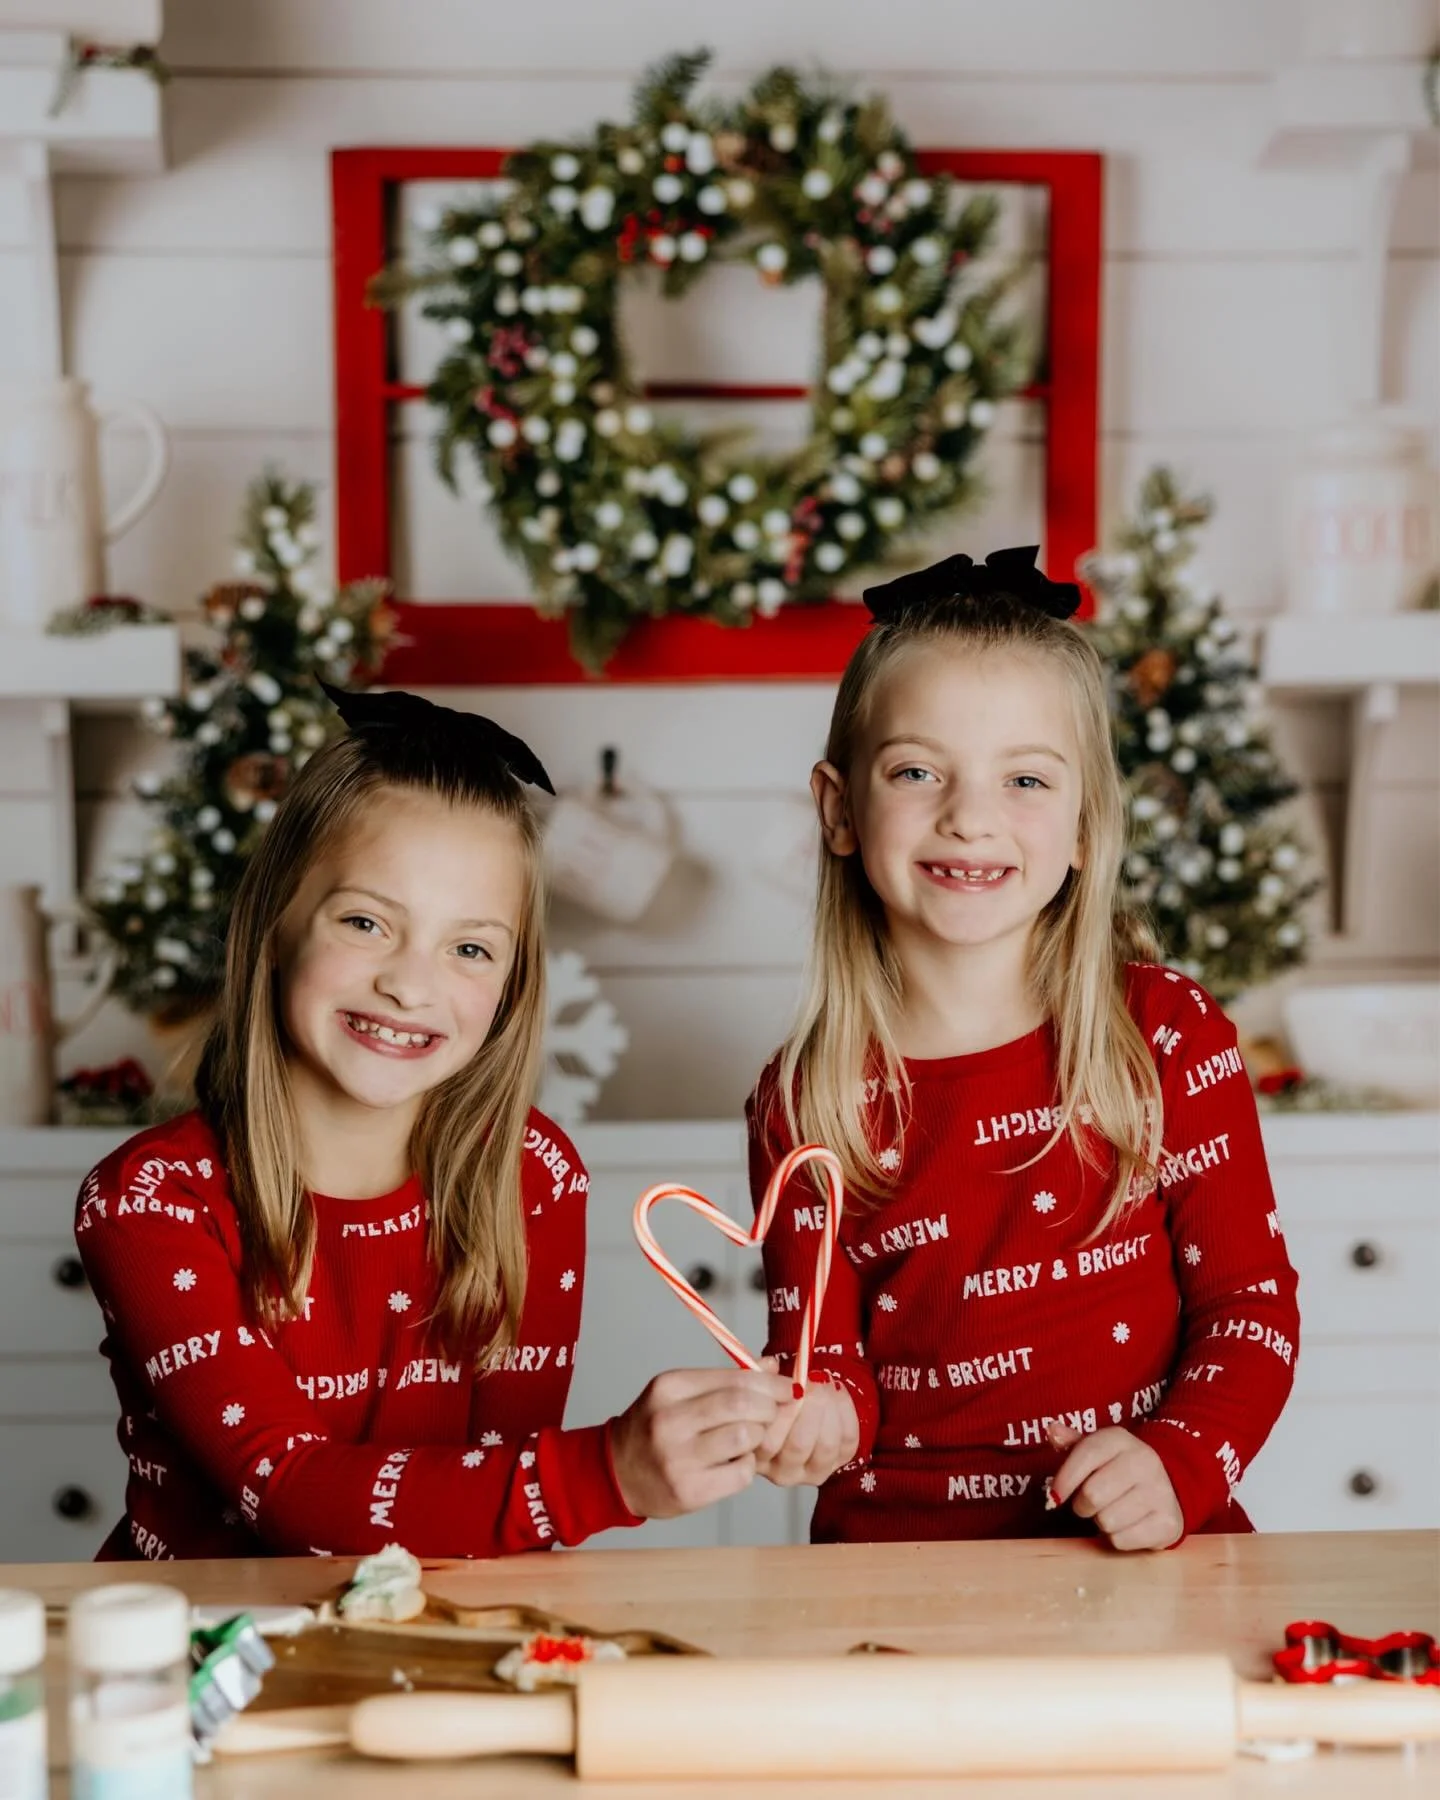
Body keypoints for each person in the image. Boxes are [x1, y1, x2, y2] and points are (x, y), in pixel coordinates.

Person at [76, 684, 791, 1561]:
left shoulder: (533, 1174)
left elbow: (497, 1494)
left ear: (512, 986)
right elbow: (286, 1489)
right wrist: (610, 1474)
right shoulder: (151, 1199)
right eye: (366, 922)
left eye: (470, 948)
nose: (411, 985)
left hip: (431, 1624)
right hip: (198, 1635)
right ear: (274, 925)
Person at [749, 548, 1299, 1549]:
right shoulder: (804, 1096)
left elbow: (1249, 1308)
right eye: (917, 772)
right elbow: (826, 1364)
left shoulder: (1166, 1035)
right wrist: (810, 1416)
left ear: (1085, 824)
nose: (970, 818)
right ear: (840, 810)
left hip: (1142, 1557)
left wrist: (1177, 1462)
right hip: (895, 1575)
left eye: (1026, 780)